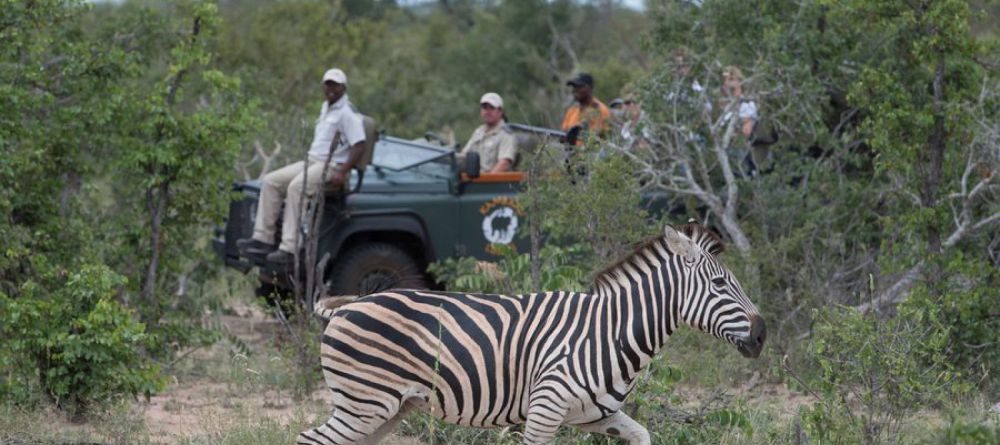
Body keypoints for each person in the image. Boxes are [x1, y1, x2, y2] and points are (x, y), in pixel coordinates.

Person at [237, 68, 367, 264]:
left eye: (336, 85)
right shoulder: (326, 107)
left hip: (331, 165)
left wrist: (343, 171)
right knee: (271, 181)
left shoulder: (347, 113)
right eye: (328, 84)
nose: (331, 88)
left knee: (296, 187)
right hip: (312, 161)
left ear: (343, 87)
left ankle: (289, 248)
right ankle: (262, 239)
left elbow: (360, 144)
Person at [460, 93, 518, 173]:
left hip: (492, 182)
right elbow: (464, 156)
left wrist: (485, 181)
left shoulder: (506, 135)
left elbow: (504, 163)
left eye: (492, 108)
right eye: (484, 108)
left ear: (500, 111)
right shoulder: (479, 131)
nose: (487, 111)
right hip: (473, 180)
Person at [561, 73, 611, 143]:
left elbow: (604, 139)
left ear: (589, 88)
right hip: (570, 153)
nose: (574, 90)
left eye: (579, 87)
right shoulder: (572, 111)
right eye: (574, 87)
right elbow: (562, 137)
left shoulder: (601, 110)